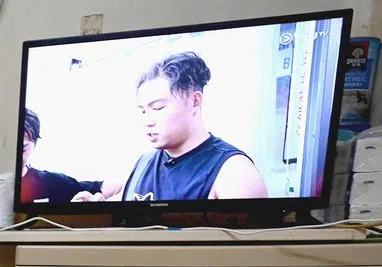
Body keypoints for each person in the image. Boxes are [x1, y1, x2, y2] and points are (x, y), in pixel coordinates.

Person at [79, 52, 268, 203]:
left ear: (195, 101)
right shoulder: (143, 163)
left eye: (158, 108)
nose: (148, 120)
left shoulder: (235, 173)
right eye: (143, 111)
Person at [20, 109, 117, 204]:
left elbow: (114, 186)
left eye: (23, 148)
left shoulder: (52, 183)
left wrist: (95, 200)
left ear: (34, 144)